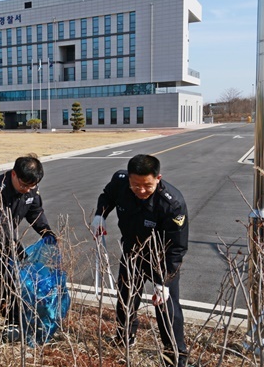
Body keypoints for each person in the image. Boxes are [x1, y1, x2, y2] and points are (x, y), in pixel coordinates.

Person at [91, 154, 189, 367]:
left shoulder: (172, 204)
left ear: (158, 178)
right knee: (126, 298)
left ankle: (175, 355)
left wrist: (163, 282)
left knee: (167, 309)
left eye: (147, 185)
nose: (141, 190)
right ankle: (125, 337)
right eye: (136, 185)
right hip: (132, 252)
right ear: (129, 180)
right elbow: (106, 196)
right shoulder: (120, 182)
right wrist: (100, 215)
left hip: (161, 260)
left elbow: (177, 248)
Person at [0, 154, 57, 341]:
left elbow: (35, 212)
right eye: (24, 185)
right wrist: (14, 248)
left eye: (31, 186)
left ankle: (13, 321)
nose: (27, 190)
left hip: (7, 232)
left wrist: (47, 232)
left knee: (15, 274)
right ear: (14, 175)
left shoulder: (31, 188)